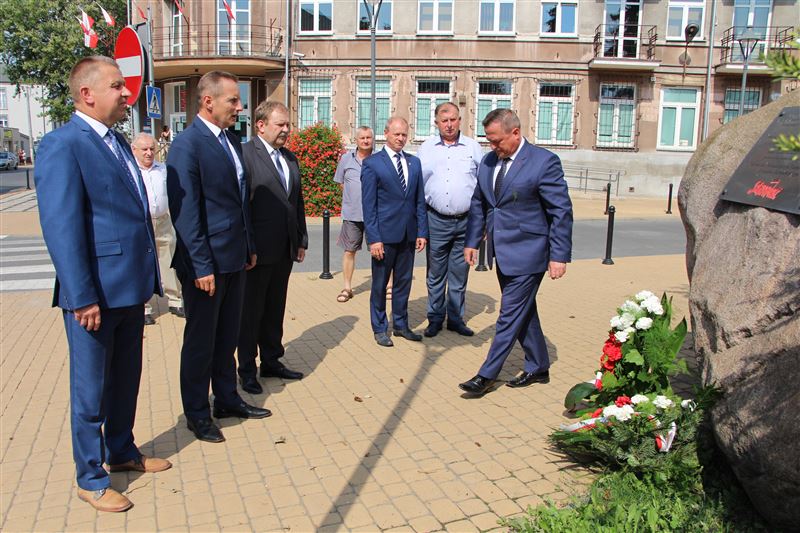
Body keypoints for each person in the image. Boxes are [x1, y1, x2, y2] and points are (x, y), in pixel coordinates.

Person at [34, 56, 171, 513]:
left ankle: (122, 450)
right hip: (93, 295)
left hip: (129, 289)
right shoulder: (63, 145)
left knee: (126, 379)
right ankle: (91, 478)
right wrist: (82, 296)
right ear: (87, 93)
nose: (127, 93)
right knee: (90, 390)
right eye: (117, 86)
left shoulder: (116, 142)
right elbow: (62, 228)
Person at [167, 70, 269, 444]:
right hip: (205, 265)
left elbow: (240, 202)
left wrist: (249, 246)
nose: (240, 107)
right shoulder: (187, 145)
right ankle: (197, 413)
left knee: (227, 337)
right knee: (201, 343)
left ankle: (226, 399)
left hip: (235, 258)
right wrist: (201, 265)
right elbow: (186, 213)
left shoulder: (231, 140)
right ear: (208, 101)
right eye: (233, 100)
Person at [460, 108, 573, 396]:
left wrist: (558, 256)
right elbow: (479, 204)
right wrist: (472, 242)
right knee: (524, 310)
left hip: (530, 252)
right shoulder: (489, 162)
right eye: (488, 140)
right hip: (502, 251)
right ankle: (539, 365)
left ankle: (486, 375)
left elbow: (560, 211)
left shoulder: (543, 161)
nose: (492, 146)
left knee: (509, 314)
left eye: (497, 140)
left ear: (515, 133)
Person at [237, 101, 307, 395]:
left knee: (274, 309)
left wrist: (301, 238)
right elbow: (241, 207)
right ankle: (247, 369)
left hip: (284, 250)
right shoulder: (245, 155)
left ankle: (271, 361)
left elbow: (296, 201)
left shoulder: (289, 158)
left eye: (288, 124)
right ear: (261, 125)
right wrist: (248, 246)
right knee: (251, 313)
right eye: (280, 124)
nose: (286, 130)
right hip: (257, 253)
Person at [417, 102, 483, 338]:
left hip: (466, 222)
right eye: (444, 121)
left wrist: (482, 223)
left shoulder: (473, 147)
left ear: (460, 120)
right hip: (435, 220)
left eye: (453, 119)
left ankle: (455, 319)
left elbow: (483, 186)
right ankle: (435, 319)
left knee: (459, 274)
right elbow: (417, 187)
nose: (449, 125)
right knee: (435, 274)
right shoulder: (426, 149)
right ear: (436, 122)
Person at [361, 117, 428, 347]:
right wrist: (374, 239)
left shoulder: (414, 163)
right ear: (386, 133)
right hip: (384, 237)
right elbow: (369, 206)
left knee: (403, 282)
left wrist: (422, 231)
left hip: (408, 235)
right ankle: (380, 328)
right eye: (396, 134)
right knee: (380, 284)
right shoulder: (372, 164)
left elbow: (419, 200)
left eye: (404, 134)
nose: (400, 138)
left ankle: (400, 325)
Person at [131, 132, 184, 325]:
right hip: (140, 223)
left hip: (163, 221)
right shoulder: (129, 170)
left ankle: (175, 300)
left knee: (169, 260)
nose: (149, 153)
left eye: (152, 149)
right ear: (134, 150)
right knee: (141, 264)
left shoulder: (163, 169)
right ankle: (144, 307)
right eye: (144, 149)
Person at [333, 126, 373, 303]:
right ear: (356, 140)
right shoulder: (346, 159)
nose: (365, 141)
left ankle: (387, 285)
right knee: (349, 251)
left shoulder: (379, 158)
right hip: (352, 215)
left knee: (381, 252)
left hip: (375, 216)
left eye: (368, 137)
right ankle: (347, 288)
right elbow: (341, 182)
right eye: (362, 138)